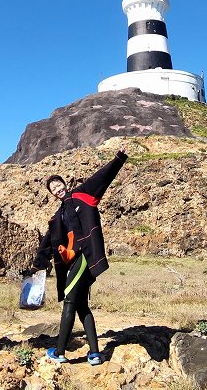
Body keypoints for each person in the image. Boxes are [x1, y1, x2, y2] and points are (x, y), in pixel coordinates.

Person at [30, 147, 128, 365]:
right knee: (82, 305)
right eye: (53, 189)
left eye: (58, 185)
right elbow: (48, 241)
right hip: (73, 260)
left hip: (86, 255)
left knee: (69, 300)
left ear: (65, 184)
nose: (57, 189)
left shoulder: (82, 194)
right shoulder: (59, 214)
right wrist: (38, 264)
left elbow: (102, 176)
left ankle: (60, 351)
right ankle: (94, 353)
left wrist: (119, 159)